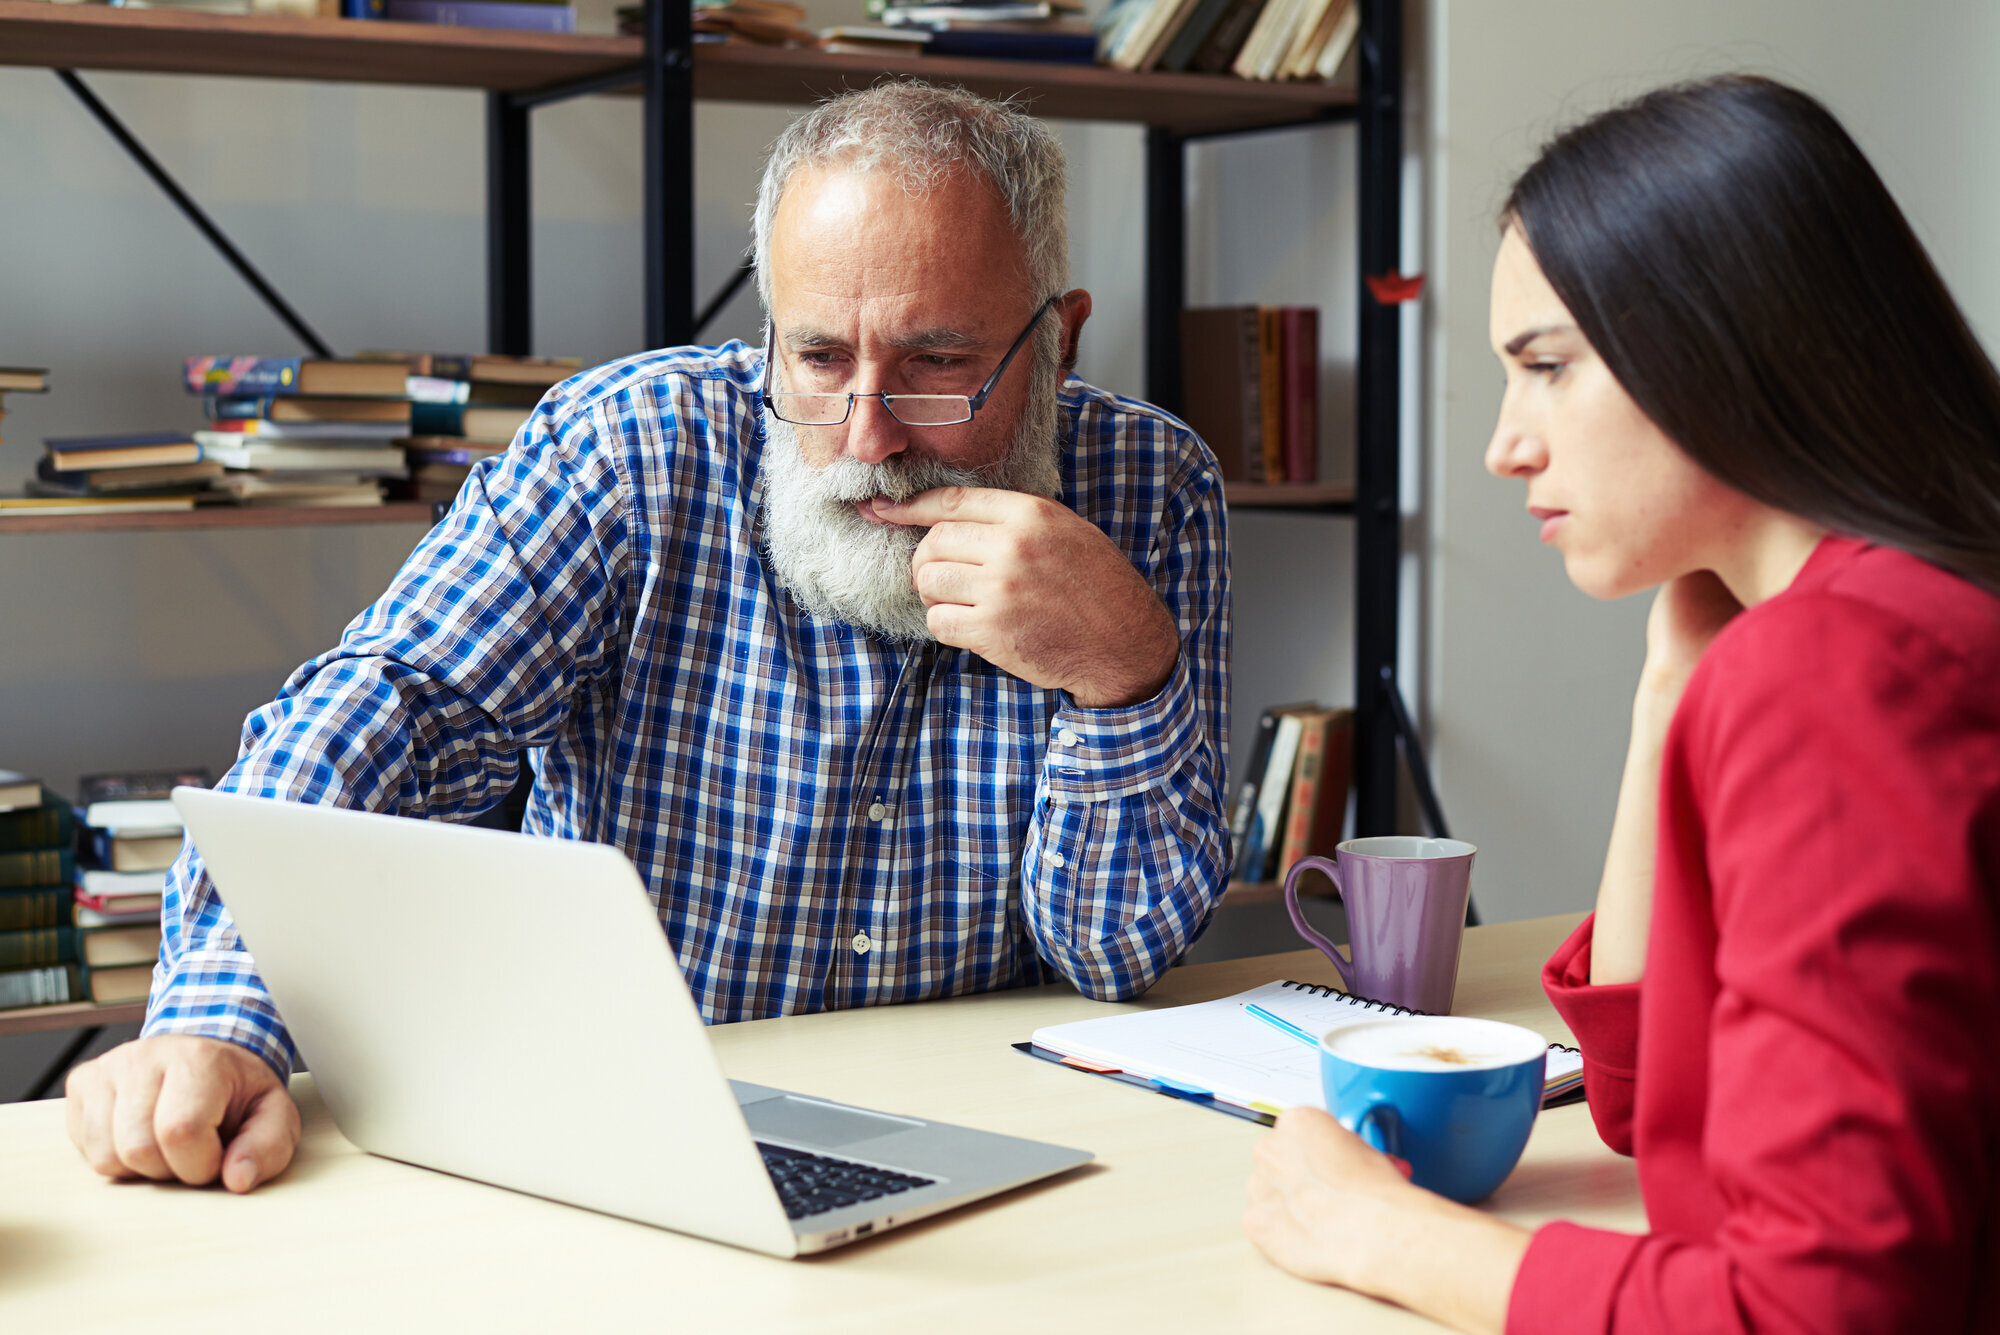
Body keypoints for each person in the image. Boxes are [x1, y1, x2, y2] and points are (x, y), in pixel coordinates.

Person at [64, 81, 1233, 1197]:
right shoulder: (627, 447)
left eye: (938, 364)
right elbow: (396, 711)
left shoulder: (1152, 487)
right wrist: (218, 1016)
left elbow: (1112, 958)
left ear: (1059, 340)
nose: (867, 436)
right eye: (818, 358)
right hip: (624, 1128)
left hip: (1002, 1141)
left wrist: (1117, 674)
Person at [1243, 73, 2000, 1332]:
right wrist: (1670, 684)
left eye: (1545, 367)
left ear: (1723, 343)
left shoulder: (1839, 673)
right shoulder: (1865, 628)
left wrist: (1382, 1237)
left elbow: (1823, 1311)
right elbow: (1654, 1111)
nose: (1502, 445)